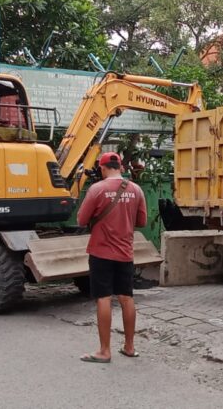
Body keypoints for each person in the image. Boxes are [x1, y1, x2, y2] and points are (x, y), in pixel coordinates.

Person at [77, 152, 147, 364]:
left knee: (104, 298)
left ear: (102, 168)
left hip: (101, 252)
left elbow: (81, 220)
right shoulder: (136, 190)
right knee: (126, 297)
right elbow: (142, 221)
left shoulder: (97, 189)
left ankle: (105, 351)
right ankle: (129, 346)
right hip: (125, 252)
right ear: (121, 167)